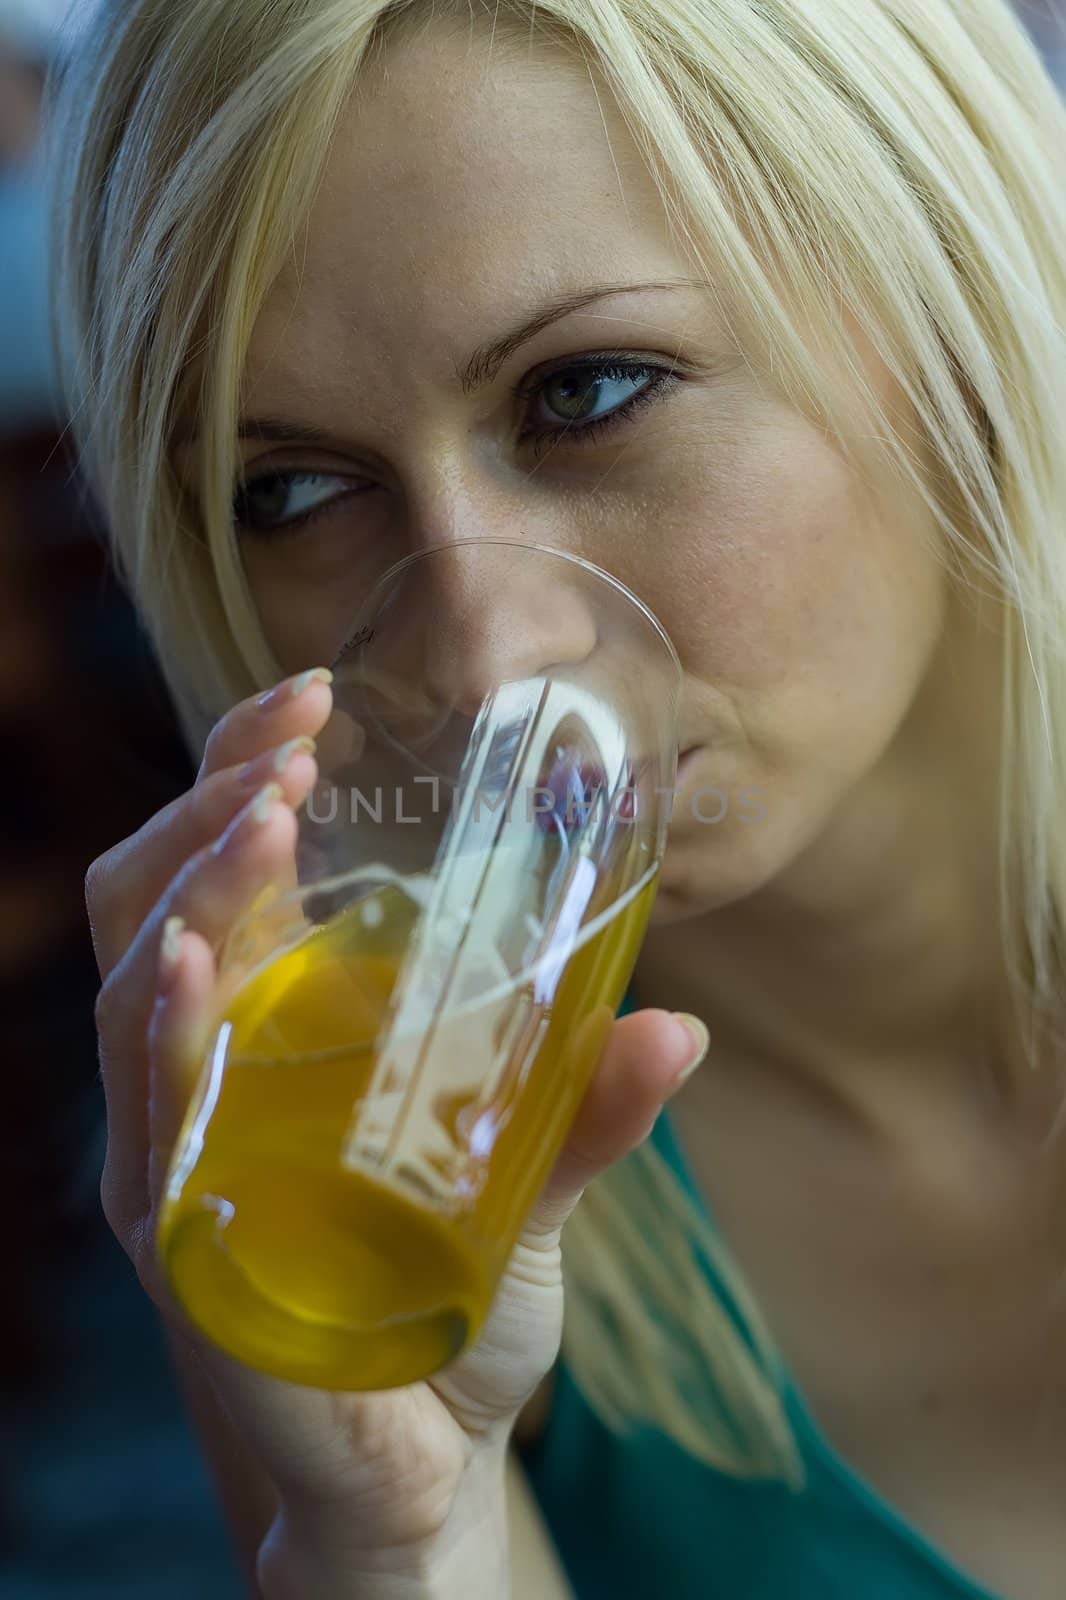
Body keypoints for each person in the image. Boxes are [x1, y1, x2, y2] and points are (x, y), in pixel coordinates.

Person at [45, 0, 1065, 1595]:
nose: (480, 651)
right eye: (294, 492)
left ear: (936, 282)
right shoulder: (371, 1150)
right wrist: (394, 1537)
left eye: (585, 392)